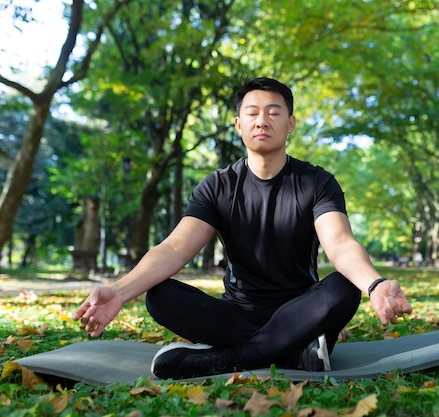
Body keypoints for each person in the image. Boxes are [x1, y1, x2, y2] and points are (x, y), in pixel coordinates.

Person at [72, 77, 413, 380]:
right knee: (160, 296)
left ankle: (232, 359)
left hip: (301, 312)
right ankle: (292, 353)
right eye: (252, 112)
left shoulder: (317, 182)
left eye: (274, 112)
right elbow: (176, 248)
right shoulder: (217, 186)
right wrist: (119, 290)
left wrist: (375, 283)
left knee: (344, 287)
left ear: (290, 123)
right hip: (237, 315)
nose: (262, 120)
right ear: (238, 123)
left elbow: (339, 243)